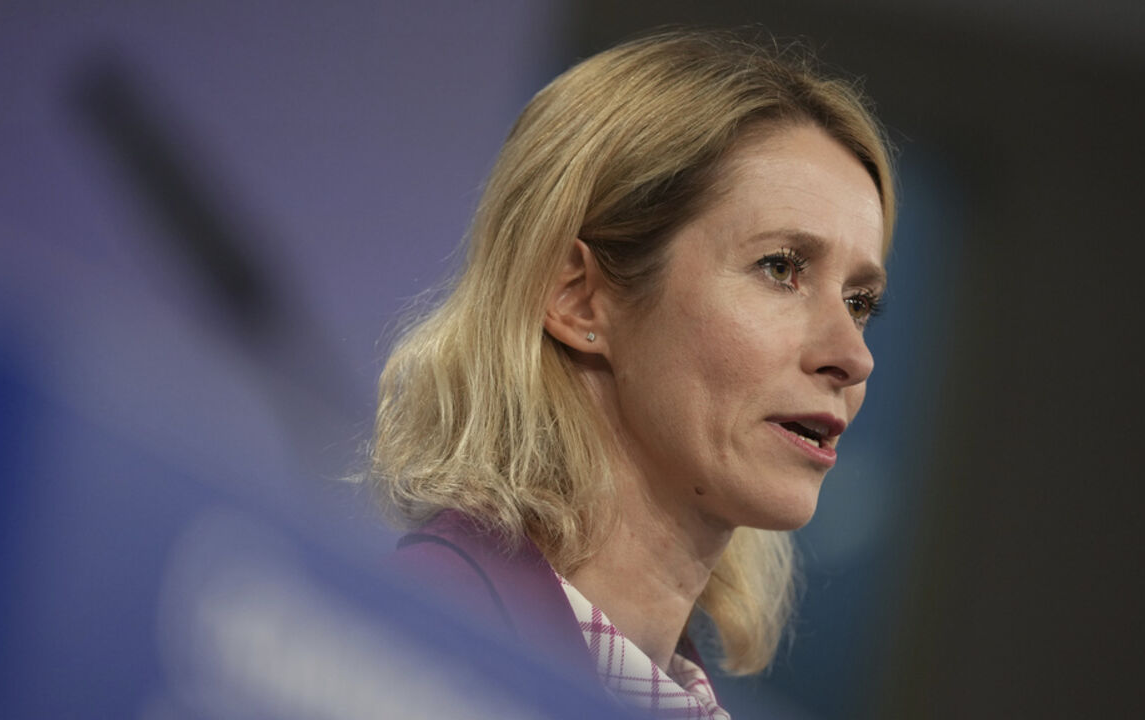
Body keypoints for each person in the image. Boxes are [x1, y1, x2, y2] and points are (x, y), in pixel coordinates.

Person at [371, 29, 895, 718]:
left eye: (860, 303)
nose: (854, 357)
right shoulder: (402, 653)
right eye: (780, 268)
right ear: (577, 297)